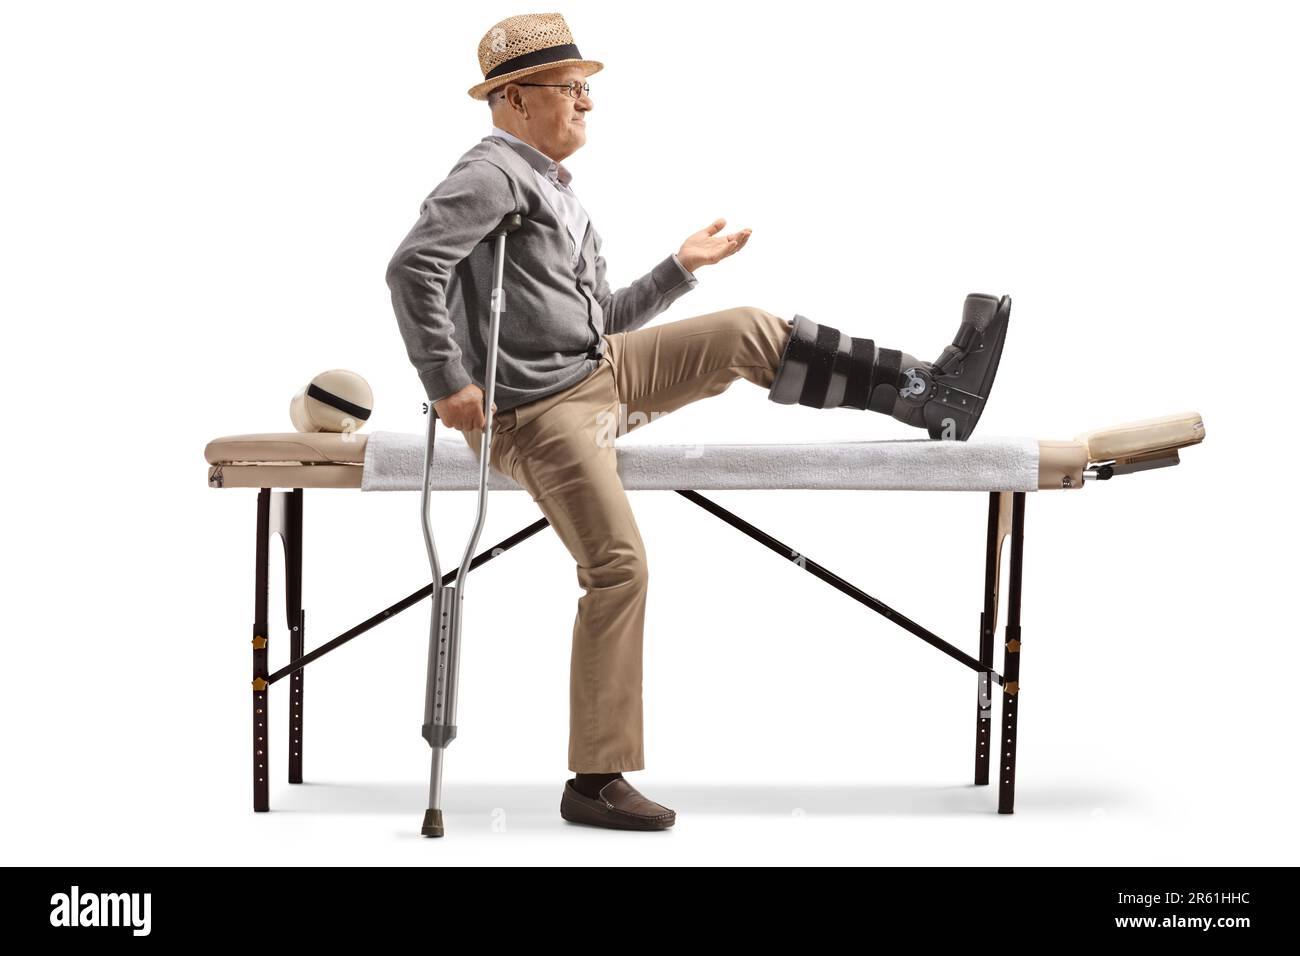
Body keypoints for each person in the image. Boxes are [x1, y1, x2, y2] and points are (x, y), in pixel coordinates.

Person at [385, 12, 1010, 831]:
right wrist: (447, 382)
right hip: (536, 415)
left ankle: (926, 390)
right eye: (571, 90)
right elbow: (411, 267)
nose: (587, 105)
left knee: (747, 327)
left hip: (599, 376)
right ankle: (594, 778)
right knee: (618, 567)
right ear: (512, 98)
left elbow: (599, 320)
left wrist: (681, 269)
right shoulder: (490, 174)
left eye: (586, 90)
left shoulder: (552, 187)